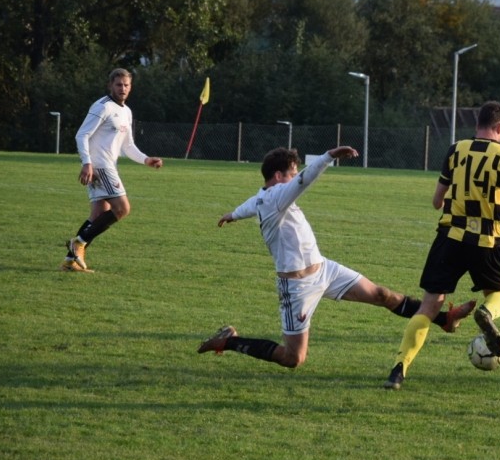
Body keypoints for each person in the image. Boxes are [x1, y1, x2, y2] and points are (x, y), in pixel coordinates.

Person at [198, 146, 474, 369]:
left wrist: (232, 215)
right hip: (297, 286)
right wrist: (329, 156)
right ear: (279, 176)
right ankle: (229, 341)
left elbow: (248, 205)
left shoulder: (264, 198)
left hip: (324, 270)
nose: (295, 177)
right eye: (291, 173)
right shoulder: (276, 197)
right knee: (293, 358)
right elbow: (305, 179)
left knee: (381, 294)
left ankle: (444, 319)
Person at [384, 101, 500, 390]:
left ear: (478, 125)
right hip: (486, 241)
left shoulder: (456, 149)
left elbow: (437, 201)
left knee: (429, 306)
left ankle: (399, 369)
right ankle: (486, 313)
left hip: (450, 237)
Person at [61, 67, 163, 272]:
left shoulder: (126, 112)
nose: (122, 88)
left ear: (130, 87)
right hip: (100, 166)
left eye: (126, 85)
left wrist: (146, 160)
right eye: (118, 85)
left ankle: (70, 261)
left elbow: (128, 145)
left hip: (104, 165)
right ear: (110, 85)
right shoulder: (103, 107)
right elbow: (81, 135)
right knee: (122, 208)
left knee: (99, 213)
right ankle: (78, 243)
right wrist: (87, 163)